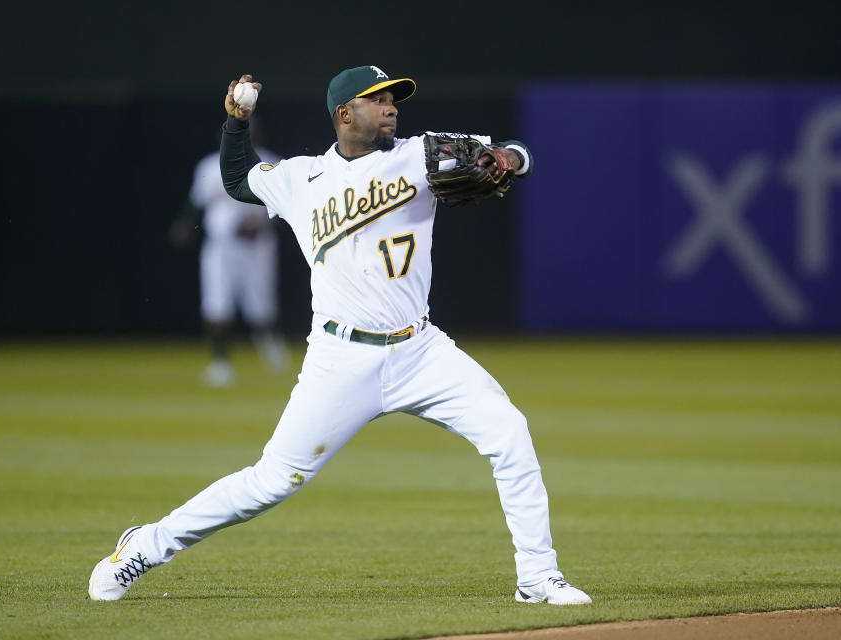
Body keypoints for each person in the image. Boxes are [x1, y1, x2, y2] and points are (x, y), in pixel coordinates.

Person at [89, 66, 592, 606]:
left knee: (509, 433)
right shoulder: (300, 178)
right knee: (272, 482)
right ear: (344, 113)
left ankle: (537, 577)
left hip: (420, 349)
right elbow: (237, 180)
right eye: (378, 99)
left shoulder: (421, 154)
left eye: (395, 98)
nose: (393, 106)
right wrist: (236, 123)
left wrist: (509, 160)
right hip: (340, 357)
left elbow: (516, 152)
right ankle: (145, 546)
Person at [170, 119, 288, 386]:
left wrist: (262, 223)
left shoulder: (272, 163)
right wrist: (185, 224)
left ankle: (270, 345)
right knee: (217, 303)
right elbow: (197, 202)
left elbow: (289, 205)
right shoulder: (212, 165)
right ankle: (220, 362)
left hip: (258, 245)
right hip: (222, 246)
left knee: (262, 303)